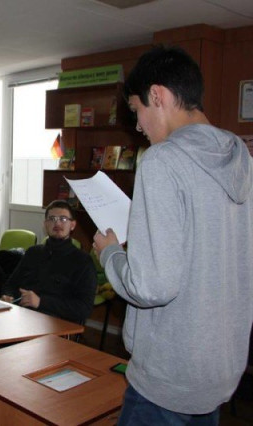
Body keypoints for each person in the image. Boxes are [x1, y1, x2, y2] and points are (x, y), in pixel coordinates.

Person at [93, 45, 253, 425]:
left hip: (170, 373)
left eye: (137, 111)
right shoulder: (242, 157)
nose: (139, 127)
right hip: (220, 368)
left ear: (158, 95)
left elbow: (152, 286)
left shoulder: (162, 161)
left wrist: (111, 253)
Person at [1, 200, 96, 324]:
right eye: (52, 219)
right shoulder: (33, 252)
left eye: (63, 219)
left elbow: (83, 309)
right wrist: (8, 296)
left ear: (72, 225)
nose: (57, 223)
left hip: (57, 323)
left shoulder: (83, 261)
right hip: (22, 316)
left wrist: (41, 302)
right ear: (45, 224)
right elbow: (10, 284)